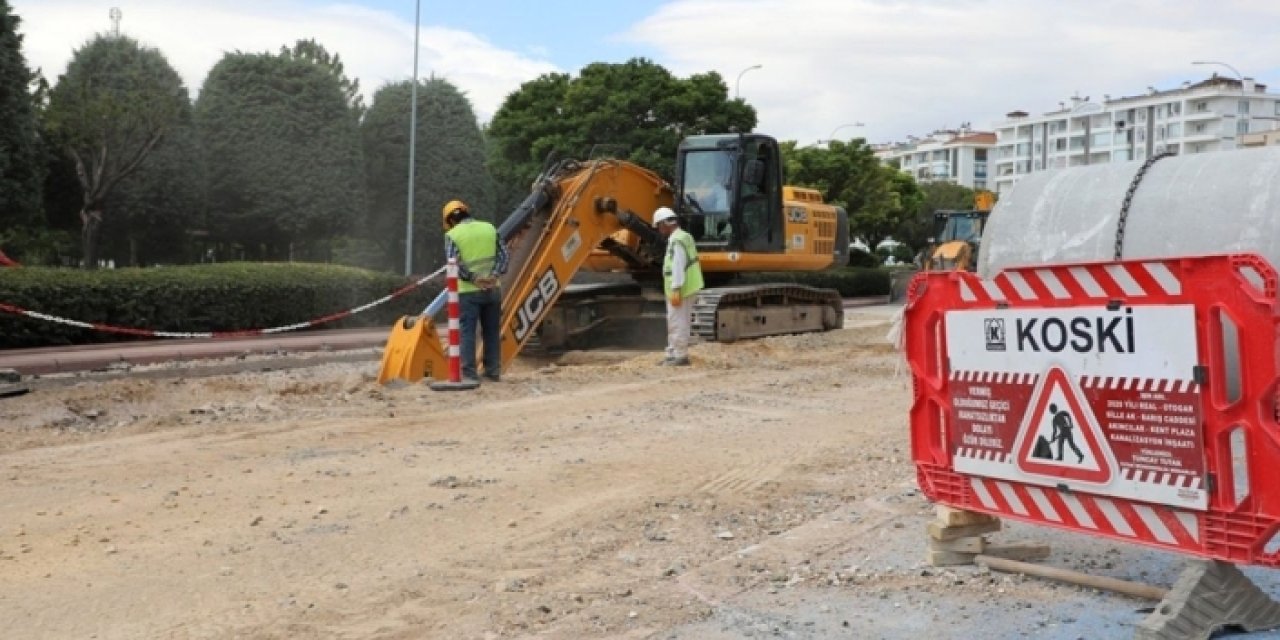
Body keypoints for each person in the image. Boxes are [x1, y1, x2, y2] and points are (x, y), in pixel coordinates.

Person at [442, 199, 508, 383]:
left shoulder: (453, 235)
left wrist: (474, 279)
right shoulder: (489, 228)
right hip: (493, 289)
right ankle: (493, 371)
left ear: (450, 221)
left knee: (467, 333)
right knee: (492, 331)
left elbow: (453, 263)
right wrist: (493, 275)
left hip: (468, 292)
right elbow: (504, 255)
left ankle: (469, 374)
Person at [653, 206, 704, 366]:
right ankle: (672, 353)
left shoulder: (677, 240)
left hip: (681, 288)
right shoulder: (683, 237)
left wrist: (676, 288)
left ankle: (680, 355)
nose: (659, 229)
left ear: (665, 224)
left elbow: (678, 265)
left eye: (659, 226)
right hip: (685, 287)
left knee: (677, 321)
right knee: (676, 320)